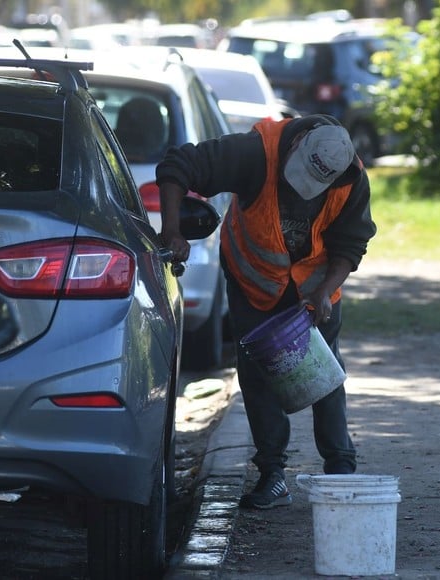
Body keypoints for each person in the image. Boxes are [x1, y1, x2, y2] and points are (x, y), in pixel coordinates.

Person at [156, 114, 377, 509]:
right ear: (297, 146)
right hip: (253, 284)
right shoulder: (256, 152)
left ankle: (341, 471)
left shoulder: (349, 177)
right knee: (259, 379)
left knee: (324, 377)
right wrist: (171, 229)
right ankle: (272, 475)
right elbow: (177, 165)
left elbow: (351, 243)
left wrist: (326, 290)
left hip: (314, 290)